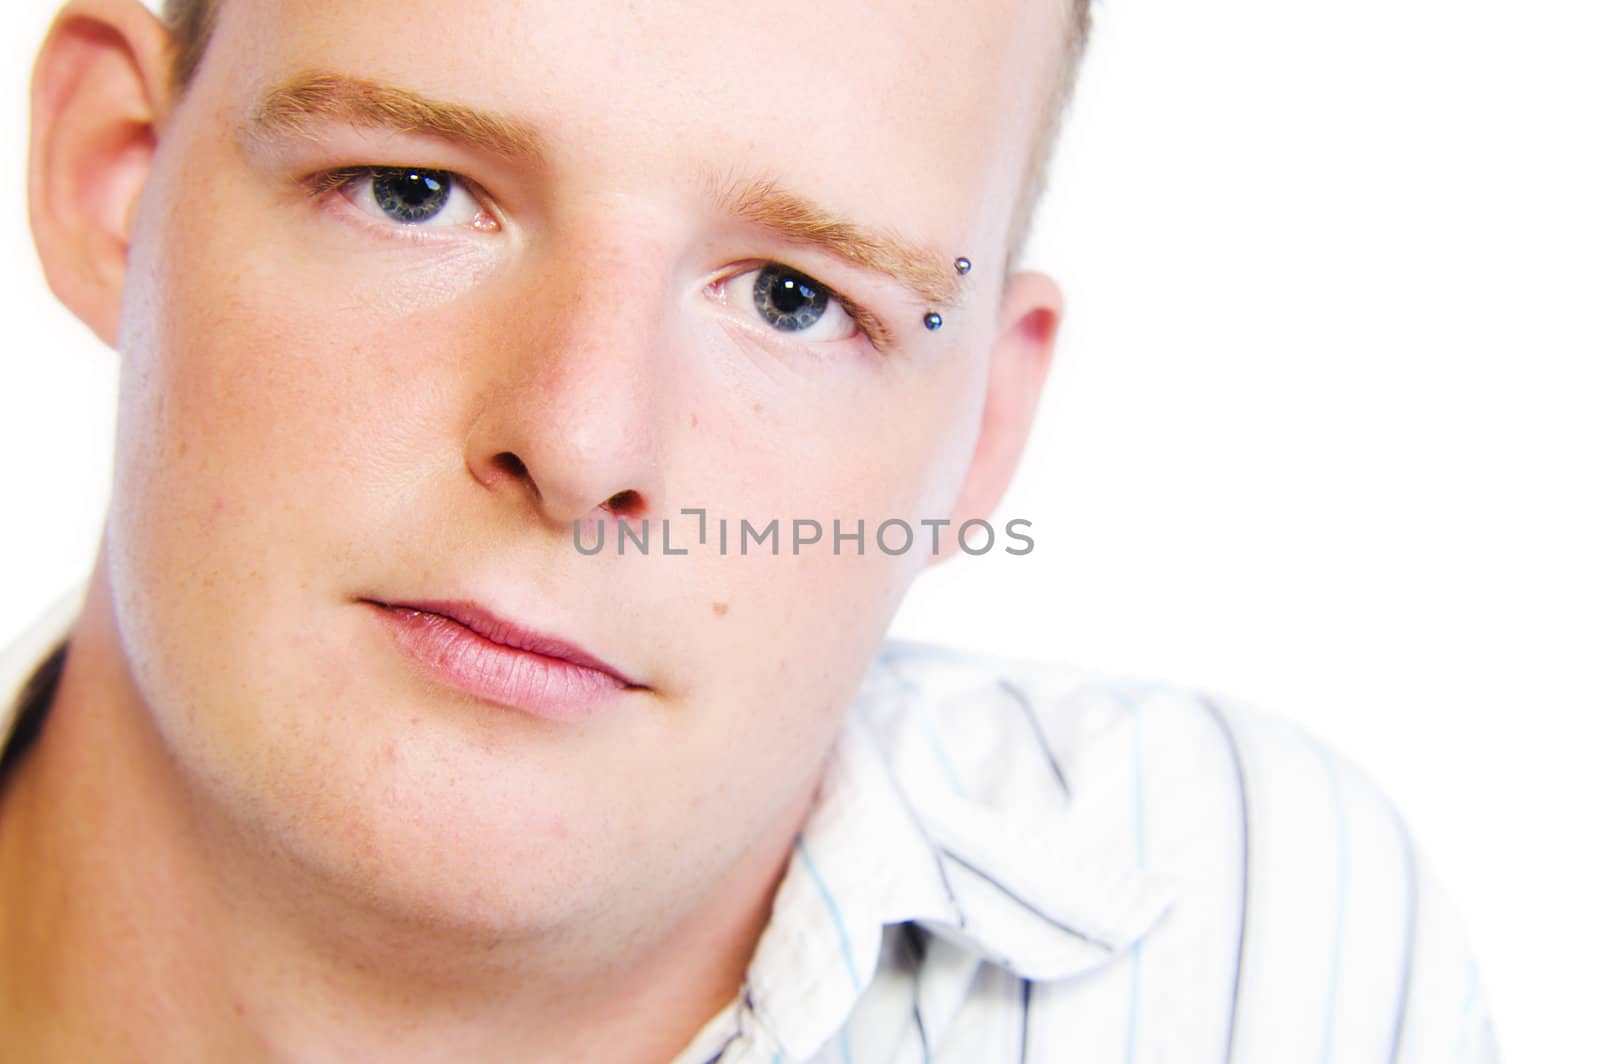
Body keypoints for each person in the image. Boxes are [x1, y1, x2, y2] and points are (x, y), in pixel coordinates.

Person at [0, 0, 1497, 1060]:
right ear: (113, 177)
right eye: (415, 192)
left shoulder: (1269, 947)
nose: (584, 445)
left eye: (796, 299)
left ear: (980, 431)